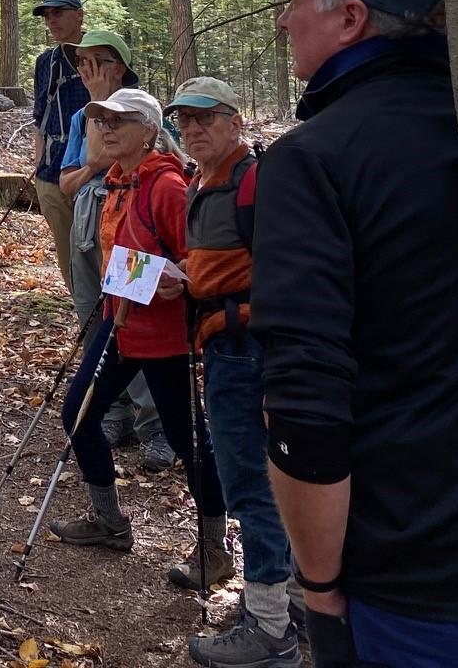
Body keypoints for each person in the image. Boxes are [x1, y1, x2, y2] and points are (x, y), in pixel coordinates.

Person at [242, 0, 458, 668]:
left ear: (351, 18)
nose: (284, 17)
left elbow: (306, 405)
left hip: (415, 584)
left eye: (295, 0)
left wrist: (319, 588)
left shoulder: (313, 162)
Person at [48, 89, 227, 589]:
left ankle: (215, 548)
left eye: (119, 120)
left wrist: (159, 276)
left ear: (148, 129)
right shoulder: (116, 183)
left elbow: (199, 262)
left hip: (163, 334)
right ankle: (109, 520)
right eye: (101, 120)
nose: (106, 128)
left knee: (187, 441)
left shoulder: (166, 185)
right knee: (77, 413)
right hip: (118, 324)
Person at [166, 76, 299, 668]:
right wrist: (186, 276)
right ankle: (293, 604)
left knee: (252, 484)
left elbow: (287, 273)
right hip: (225, 344)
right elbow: (215, 265)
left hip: (249, 351)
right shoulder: (204, 182)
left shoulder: (256, 181)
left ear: (235, 121)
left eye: (206, 119)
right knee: (272, 480)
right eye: (185, 121)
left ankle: (269, 627)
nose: (194, 130)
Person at [55, 28, 169, 469]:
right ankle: (112, 410)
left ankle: (156, 423)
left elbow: (133, 159)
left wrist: (94, 162)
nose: (87, 70)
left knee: (133, 314)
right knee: (92, 313)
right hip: (88, 218)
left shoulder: (142, 109)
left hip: (131, 217)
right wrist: (92, 165)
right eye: (81, 63)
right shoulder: (80, 118)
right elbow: (68, 180)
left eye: (97, 62)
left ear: (119, 66)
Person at [30, 0, 89, 290]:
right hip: (52, 174)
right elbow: (40, 117)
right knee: (68, 260)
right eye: (47, 16)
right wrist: (39, 161)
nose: (52, 20)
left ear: (78, 14)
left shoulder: (100, 53)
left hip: (94, 173)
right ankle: (84, 323)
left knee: (99, 255)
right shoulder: (45, 62)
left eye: (58, 13)